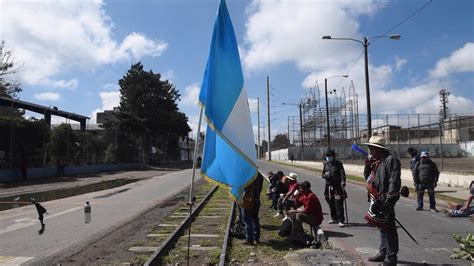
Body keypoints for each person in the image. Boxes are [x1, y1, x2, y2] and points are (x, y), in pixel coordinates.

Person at [364, 136, 401, 265]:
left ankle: (391, 259)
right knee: (382, 226)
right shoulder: (376, 162)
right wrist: (367, 166)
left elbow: (394, 181)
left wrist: (389, 200)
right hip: (377, 198)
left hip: (386, 199)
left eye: (371, 148)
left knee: (389, 228)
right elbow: (368, 178)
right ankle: (382, 252)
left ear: (378, 149)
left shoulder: (391, 161)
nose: (369, 151)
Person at [287, 180, 324, 245]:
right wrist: (295, 197)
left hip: (316, 218)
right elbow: (297, 204)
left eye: (301, 188)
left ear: (306, 188)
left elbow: (306, 211)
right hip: (310, 215)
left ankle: (297, 235)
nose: (300, 190)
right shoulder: (304, 195)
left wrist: (294, 211)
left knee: (299, 215)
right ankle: (297, 234)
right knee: (294, 214)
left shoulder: (311, 197)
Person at [322, 149, 346, 227]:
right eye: (327, 156)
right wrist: (325, 175)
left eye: (330, 156)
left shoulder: (338, 164)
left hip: (337, 186)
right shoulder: (326, 165)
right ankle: (334, 218)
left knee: (338, 203)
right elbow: (322, 175)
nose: (328, 157)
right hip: (328, 186)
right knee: (330, 202)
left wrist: (343, 181)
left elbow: (342, 173)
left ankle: (341, 220)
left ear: (334, 156)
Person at [241, 172, 263, 245]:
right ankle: (256, 238)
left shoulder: (247, 174)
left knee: (247, 220)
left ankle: (249, 239)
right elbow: (260, 188)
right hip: (257, 199)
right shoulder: (259, 175)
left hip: (248, 200)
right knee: (255, 219)